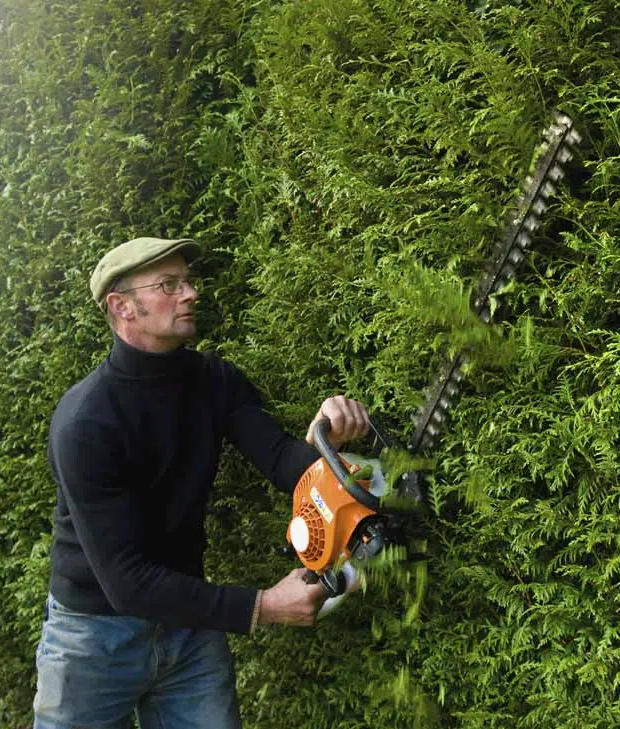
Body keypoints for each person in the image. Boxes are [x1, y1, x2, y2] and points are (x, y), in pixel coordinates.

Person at [33, 236, 370, 729]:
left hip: (189, 628)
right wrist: (264, 607)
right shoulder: (87, 421)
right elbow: (127, 583)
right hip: (91, 639)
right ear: (121, 306)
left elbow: (280, 460)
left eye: (188, 281)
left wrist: (328, 448)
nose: (190, 293)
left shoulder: (215, 380)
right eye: (169, 284)